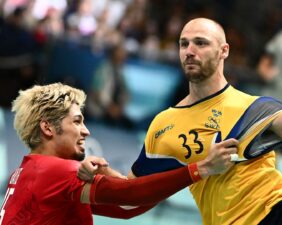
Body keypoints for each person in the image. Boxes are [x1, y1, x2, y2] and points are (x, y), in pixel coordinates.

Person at [123, 18, 282, 225]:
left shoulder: (255, 108)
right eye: (183, 43)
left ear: (224, 51)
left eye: (200, 43)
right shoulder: (163, 124)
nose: (190, 50)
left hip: (280, 216)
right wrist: (93, 176)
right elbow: (128, 195)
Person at [0, 83, 238, 225]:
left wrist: (105, 172)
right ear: (48, 128)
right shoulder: (55, 171)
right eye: (77, 121)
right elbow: (131, 196)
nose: (86, 130)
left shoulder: (29, 172)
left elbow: (125, 209)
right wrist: (201, 169)